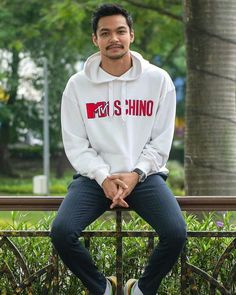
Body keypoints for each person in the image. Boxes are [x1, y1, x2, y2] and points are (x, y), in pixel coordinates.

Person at [50, 3, 187, 295]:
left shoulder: (158, 80)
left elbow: (161, 142)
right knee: (61, 232)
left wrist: (136, 173)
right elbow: (76, 144)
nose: (114, 38)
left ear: (131, 35)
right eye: (105, 32)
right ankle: (103, 289)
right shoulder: (77, 86)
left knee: (176, 232)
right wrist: (103, 177)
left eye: (120, 31)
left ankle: (140, 290)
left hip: (145, 176)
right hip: (94, 179)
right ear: (95, 39)